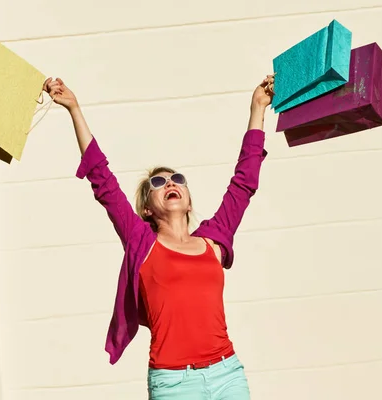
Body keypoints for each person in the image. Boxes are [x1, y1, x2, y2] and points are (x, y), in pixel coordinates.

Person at [43, 74, 274, 400]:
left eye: (176, 179)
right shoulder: (141, 241)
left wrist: (257, 109)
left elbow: (244, 182)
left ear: (188, 199)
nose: (169, 184)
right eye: (157, 183)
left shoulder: (213, 241)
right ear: (147, 209)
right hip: (173, 383)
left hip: (227, 374)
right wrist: (74, 109)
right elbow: (103, 181)